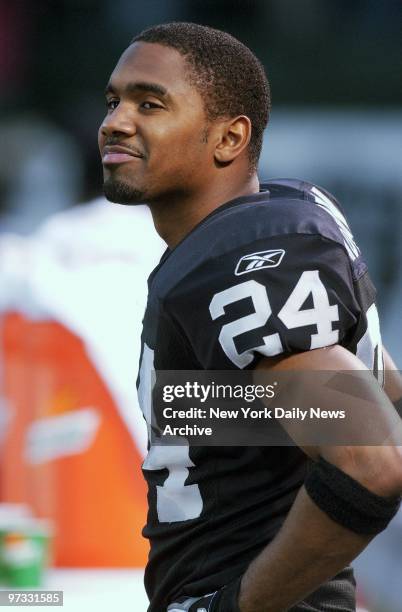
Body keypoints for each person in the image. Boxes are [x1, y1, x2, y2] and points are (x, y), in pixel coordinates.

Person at [98, 22, 402, 612]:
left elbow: (370, 457)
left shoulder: (240, 254)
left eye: (150, 103)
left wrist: (235, 607)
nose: (115, 120)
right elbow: (376, 393)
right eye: (114, 100)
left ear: (230, 137)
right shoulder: (277, 219)